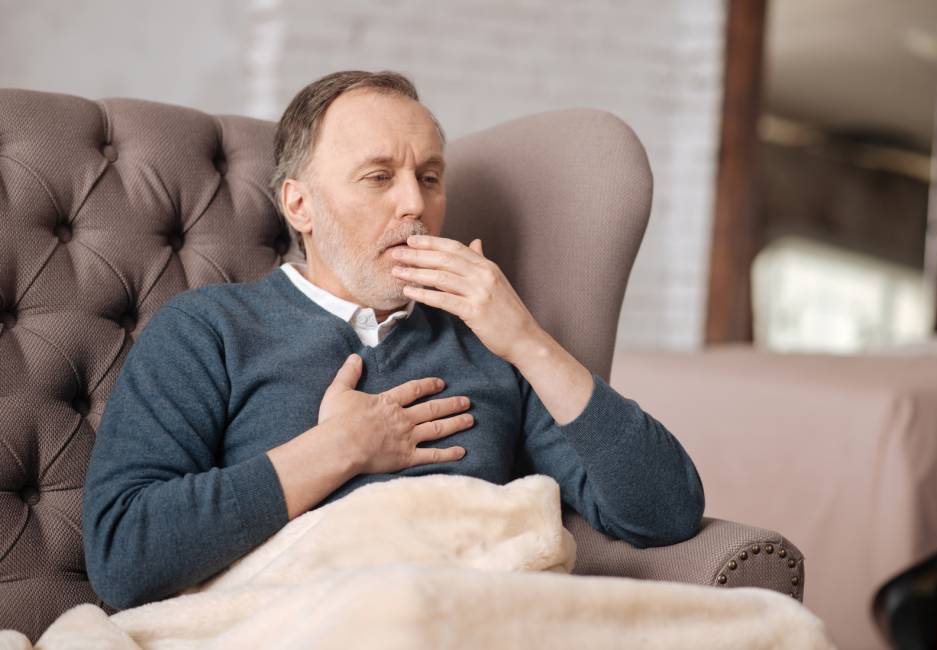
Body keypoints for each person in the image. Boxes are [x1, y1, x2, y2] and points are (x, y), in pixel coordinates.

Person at [82, 70, 705, 610]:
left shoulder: (491, 342)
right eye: (379, 177)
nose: (415, 203)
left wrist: (528, 343)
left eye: (430, 178)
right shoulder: (207, 328)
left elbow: (662, 513)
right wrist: (337, 450)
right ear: (300, 205)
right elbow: (123, 554)